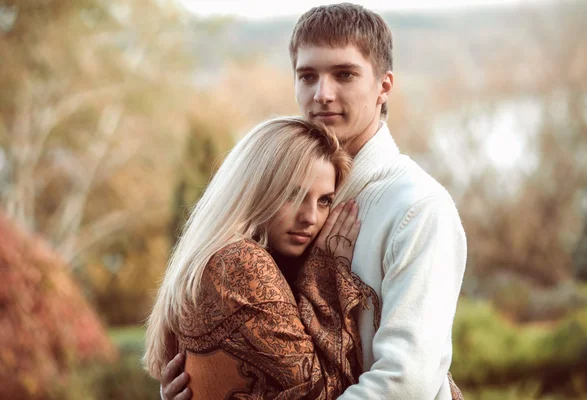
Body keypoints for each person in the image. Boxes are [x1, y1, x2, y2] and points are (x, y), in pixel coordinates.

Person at [161, 3, 467, 399]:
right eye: (308, 75)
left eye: (344, 74)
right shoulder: (271, 198)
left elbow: (406, 382)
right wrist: (204, 380)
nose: (322, 94)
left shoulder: (417, 208)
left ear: (384, 86)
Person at [143, 116, 382, 399]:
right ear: (256, 189)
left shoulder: (222, 257)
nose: (311, 218)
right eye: (293, 194)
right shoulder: (239, 262)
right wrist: (328, 273)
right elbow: (320, 395)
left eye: (324, 201)